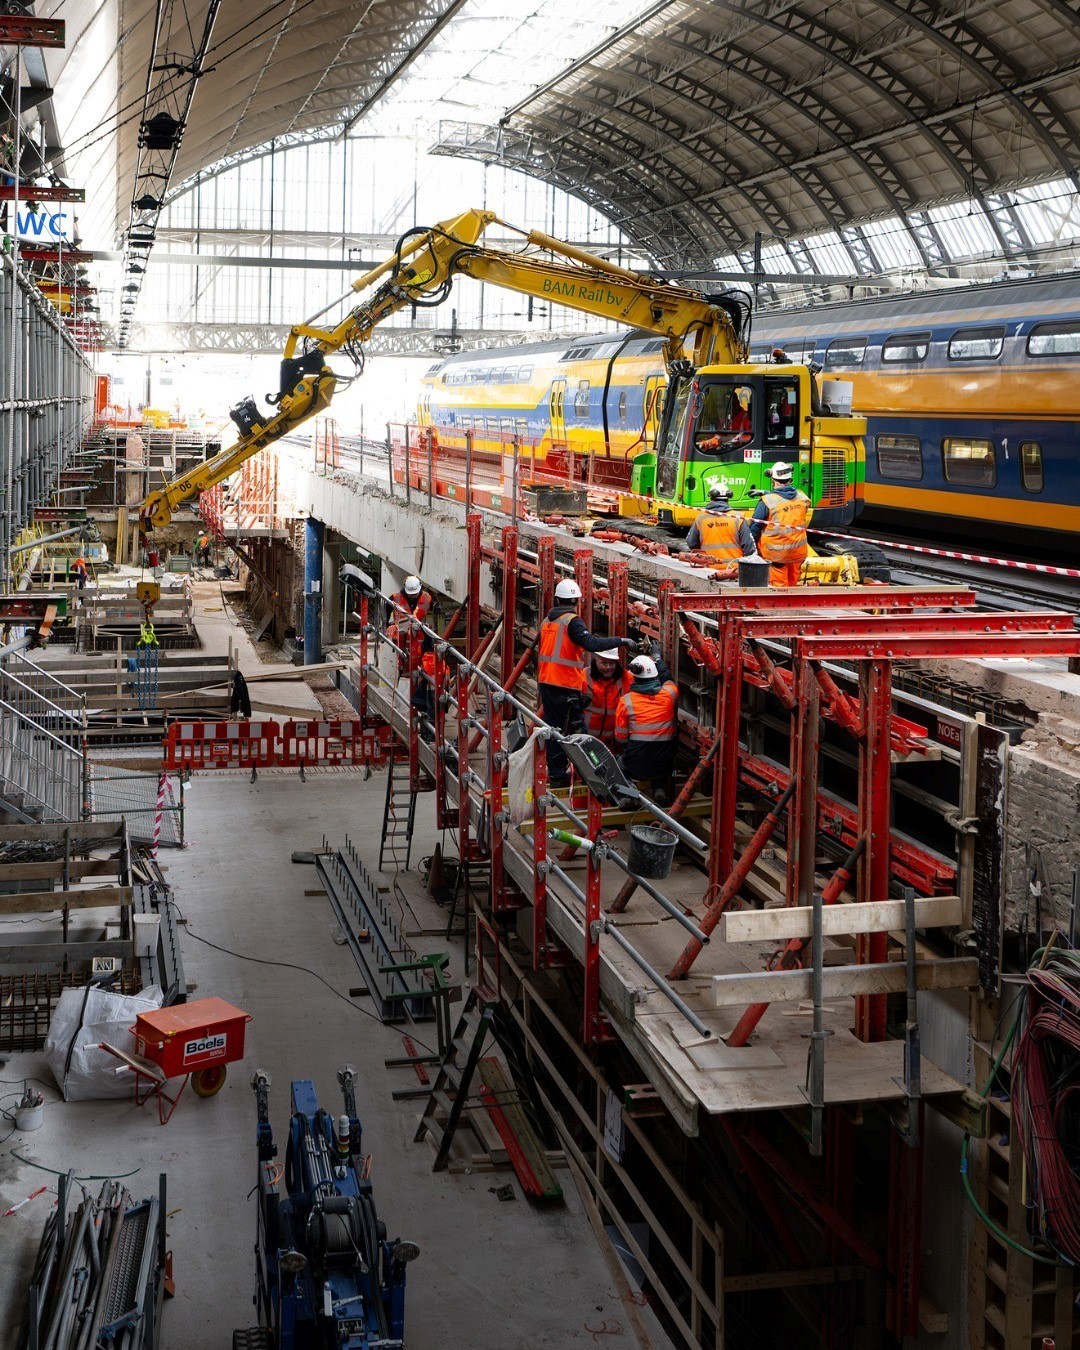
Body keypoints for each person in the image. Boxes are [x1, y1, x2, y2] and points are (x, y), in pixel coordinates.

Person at [538, 578, 635, 787]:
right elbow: (591, 643)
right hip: (564, 685)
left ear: (557, 599)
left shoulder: (547, 621)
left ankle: (557, 775)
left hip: (546, 682)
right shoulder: (572, 621)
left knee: (555, 729)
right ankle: (591, 772)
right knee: (578, 732)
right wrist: (620, 641)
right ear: (576, 601)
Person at [614, 649, 679, 801]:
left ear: (634, 677)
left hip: (636, 764)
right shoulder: (670, 694)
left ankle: (629, 794)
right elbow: (667, 678)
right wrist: (658, 658)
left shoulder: (626, 701)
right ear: (655, 676)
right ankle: (659, 788)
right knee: (661, 757)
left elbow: (620, 738)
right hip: (664, 764)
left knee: (617, 764)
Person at [750, 462, 811, 586]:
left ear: (773, 480)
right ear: (790, 479)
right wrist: (766, 492)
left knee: (779, 590)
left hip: (777, 555)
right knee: (792, 586)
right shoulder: (803, 498)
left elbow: (754, 529)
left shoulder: (767, 502)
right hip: (797, 553)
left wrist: (751, 551)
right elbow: (787, 499)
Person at [685, 484, 755, 563]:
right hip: (732, 568)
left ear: (711, 499)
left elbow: (691, 543)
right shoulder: (738, 518)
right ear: (728, 500)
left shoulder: (701, 519)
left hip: (707, 567)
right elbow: (749, 548)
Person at [582, 647, 632, 750]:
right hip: (587, 741)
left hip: (615, 744)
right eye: (604, 663)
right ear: (596, 659)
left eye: (612, 663)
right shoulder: (583, 676)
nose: (608, 667)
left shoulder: (627, 678)